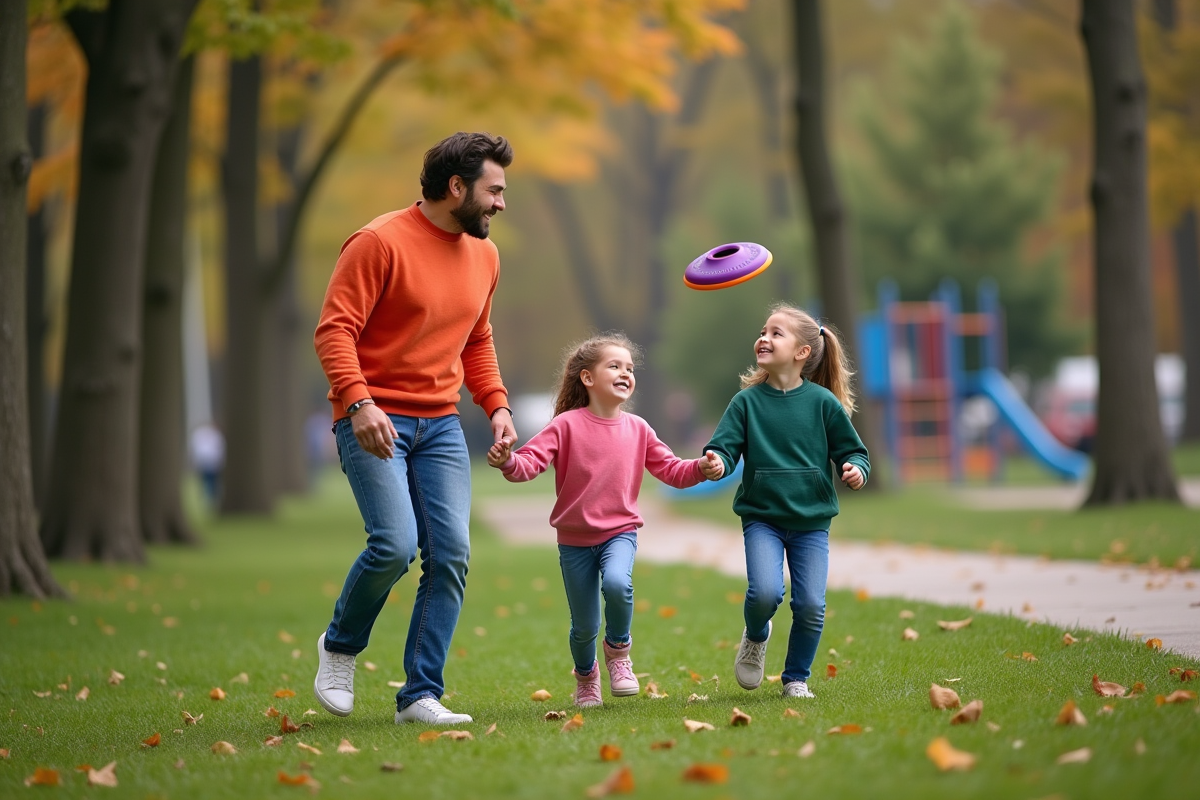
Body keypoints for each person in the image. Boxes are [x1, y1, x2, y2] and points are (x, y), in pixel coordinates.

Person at [311, 132, 517, 726]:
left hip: (441, 426)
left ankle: (420, 695)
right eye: (494, 190)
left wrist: (497, 406)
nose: (502, 203)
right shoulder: (378, 243)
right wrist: (359, 403)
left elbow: (476, 338)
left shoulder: (486, 256)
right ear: (457, 187)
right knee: (394, 545)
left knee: (450, 554)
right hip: (374, 421)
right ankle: (340, 647)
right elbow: (334, 331)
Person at [486, 334, 725, 707]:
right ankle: (586, 677)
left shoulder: (639, 428)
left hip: (620, 532)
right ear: (587, 378)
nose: (625, 372)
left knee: (617, 583)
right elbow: (528, 464)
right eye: (614, 366)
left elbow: (673, 471)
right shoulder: (565, 425)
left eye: (630, 368)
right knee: (583, 628)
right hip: (574, 541)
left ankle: (618, 653)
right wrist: (507, 461)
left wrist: (701, 468)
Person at [704, 304, 869, 700]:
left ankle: (796, 678)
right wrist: (716, 462)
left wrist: (855, 469)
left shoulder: (823, 404)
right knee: (764, 593)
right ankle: (756, 635)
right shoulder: (746, 403)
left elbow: (855, 451)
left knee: (811, 604)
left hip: (812, 522)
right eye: (763, 331)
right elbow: (724, 450)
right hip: (762, 518)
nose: (764, 337)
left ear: (802, 353)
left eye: (776, 333)